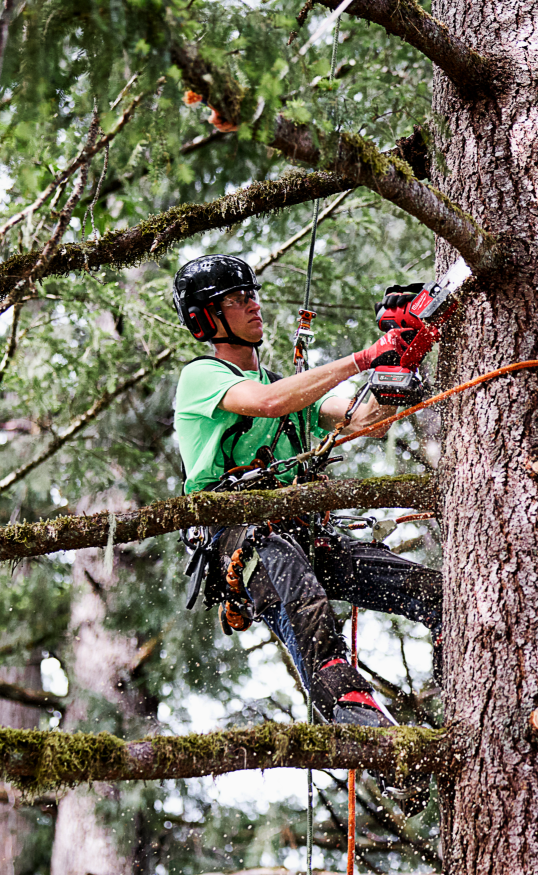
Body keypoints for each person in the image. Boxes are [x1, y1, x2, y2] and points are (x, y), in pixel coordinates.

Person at [172, 254, 441, 727]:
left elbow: (364, 421)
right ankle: (349, 710)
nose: (253, 306)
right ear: (206, 319)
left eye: (252, 295)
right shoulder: (203, 378)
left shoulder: (286, 386)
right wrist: (362, 357)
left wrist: (401, 356)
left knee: (430, 590)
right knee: (291, 580)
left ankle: (461, 673)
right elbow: (268, 404)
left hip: (304, 529)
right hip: (239, 535)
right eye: (236, 300)